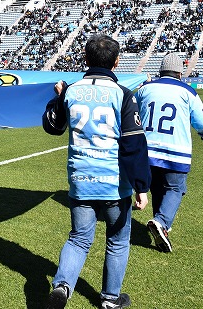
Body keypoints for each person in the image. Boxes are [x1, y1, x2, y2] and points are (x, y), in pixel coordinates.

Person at [42, 34, 150, 309]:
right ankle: (110, 299)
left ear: (86, 60)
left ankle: (62, 286)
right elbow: (133, 144)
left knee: (78, 238)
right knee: (117, 240)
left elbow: (52, 127)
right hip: (114, 184)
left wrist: (58, 98)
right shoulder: (123, 95)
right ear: (116, 62)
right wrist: (141, 186)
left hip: (80, 180)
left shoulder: (72, 91)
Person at [135, 52, 203, 253]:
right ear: (180, 72)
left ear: (161, 70)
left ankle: (161, 228)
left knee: (157, 189)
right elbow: (201, 121)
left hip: (146, 150)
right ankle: (161, 222)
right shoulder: (188, 92)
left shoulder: (145, 88)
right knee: (175, 188)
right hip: (175, 150)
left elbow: (132, 112)